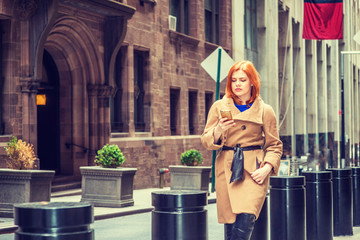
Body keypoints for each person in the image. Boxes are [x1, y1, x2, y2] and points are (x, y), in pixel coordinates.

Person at [201, 60, 283, 240]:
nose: (237, 84)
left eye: (243, 80)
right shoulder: (219, 107)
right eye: (234, 80)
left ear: (252, 82)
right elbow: (206, 141)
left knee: (245, 220)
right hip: (227, 169)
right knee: (231, 225)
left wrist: (266, 168)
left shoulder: (265, 110)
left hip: (254, 171)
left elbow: (274, 146)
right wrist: (219, 130)